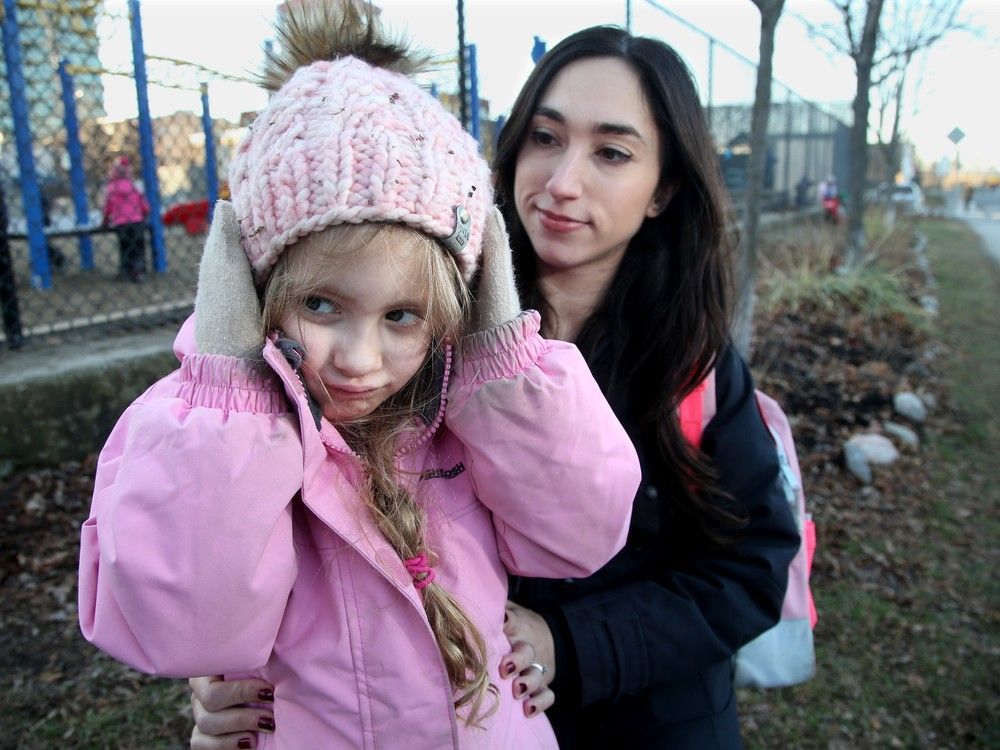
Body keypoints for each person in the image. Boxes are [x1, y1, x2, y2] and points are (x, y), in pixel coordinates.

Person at [187, 23, 802, 750]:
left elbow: (751, 567)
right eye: (545, 138)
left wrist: (574, 643)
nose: (563, 182)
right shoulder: (409, 339)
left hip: (650, 725)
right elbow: (305, 531)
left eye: (611, 152)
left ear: (664, 188)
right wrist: (245, 666)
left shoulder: (691, 363)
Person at [77, 6, 641, 750]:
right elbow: (185, 624)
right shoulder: (205, 431)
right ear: (251, 290)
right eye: (320, 304)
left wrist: (502, 359)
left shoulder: (467, 418)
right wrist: (230, 391)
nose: (359, 358)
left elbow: (582, 534)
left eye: (403, 316)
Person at [102, 155, 149, 282]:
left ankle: (127, 270)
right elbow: (144, 205)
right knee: (139, 248)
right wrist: (143, 215)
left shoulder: (111, 188)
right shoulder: (134, 186)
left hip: (121, 223)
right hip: (137, 221)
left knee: (125, 247)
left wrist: (105, 222)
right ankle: (139, 270)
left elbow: (107, 208)